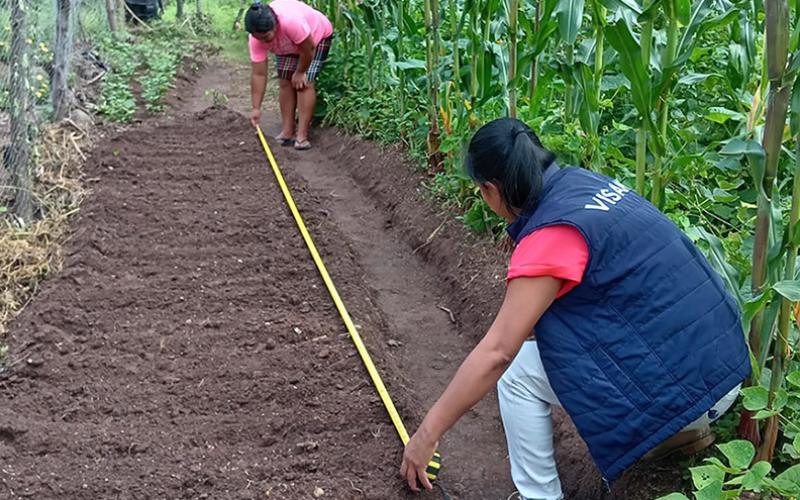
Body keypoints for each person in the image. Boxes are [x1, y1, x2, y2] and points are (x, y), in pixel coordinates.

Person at [399, 118, 751, 499]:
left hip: (692, 395)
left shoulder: (550, 237)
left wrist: (426, 434)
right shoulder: (586, 184)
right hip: (725, 371)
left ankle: (541, 496)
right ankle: (678, 434)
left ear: (490, 190)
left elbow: (497, 352)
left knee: (517, 374)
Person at [244, 1, 333, 151]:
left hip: (314, 38)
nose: (263, 42)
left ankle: (302, 136)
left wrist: (300, 72)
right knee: (285, 81)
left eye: (266, 37)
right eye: (260, 38)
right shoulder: (256, 40)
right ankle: (287, 132)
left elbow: (308, 49)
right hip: (287, 45)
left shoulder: (290, 23)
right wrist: (256, 108)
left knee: (304, 83)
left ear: (275, 25)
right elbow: (259, 74)